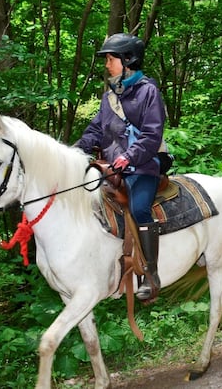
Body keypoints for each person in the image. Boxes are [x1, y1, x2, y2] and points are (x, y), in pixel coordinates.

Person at [75, 33, 166, 301]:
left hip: (143, 166)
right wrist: (75, 150)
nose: (107, 64)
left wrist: (130, 157)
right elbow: (95, 131)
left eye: (111, 59)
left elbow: (152, 135)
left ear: (128, 60)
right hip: (111, 169)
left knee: (139, 209)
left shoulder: (148, 91)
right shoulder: (109, 98)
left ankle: (151, 275)